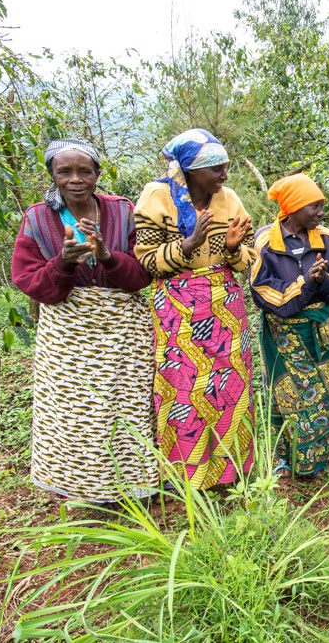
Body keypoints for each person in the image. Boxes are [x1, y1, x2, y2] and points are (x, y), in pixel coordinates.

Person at [11, 139, 156, 503]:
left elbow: (142, 275)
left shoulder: (122, 211)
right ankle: (79, 487)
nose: (75, 179)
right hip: (68, 334)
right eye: (65, 171)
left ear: (97, 174)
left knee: (127, 407)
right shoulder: (37, 218)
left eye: (84, 171)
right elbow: (28, 280)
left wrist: (107, 255)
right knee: (74, 412)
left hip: (123, 331)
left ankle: (133, 486)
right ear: (52, 176)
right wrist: (63, 262)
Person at [134, 129, 255, 490]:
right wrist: (188, 244)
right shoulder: (157, 197)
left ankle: (231, 471)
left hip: (225, 304)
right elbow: (145, 263)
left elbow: (249, 257)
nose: (224, 176)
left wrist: (233, 249)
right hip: (177, 307)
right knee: (182, 386)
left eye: (226, 167)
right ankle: (184, 474)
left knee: (232, 384)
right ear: (189, 169)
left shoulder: (229, 200)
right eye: (215, 168)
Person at [250, 174, 329, 477]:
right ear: (293, 208)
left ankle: (320, 459)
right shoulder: (266, 241)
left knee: (324, 394)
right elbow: (264, 292)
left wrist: (322, 281)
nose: (321, 213)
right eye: (314, 207)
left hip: (322, 331)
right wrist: (307, 284)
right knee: (285, 397)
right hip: (283, 334)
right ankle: (284, 458)